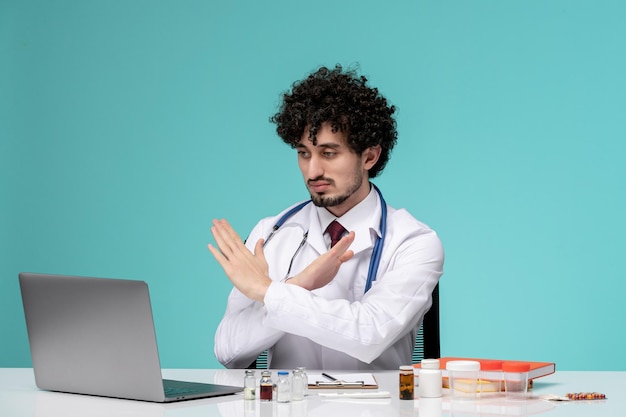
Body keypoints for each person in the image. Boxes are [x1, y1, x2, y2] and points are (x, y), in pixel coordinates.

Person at [208, 65, 444, 370]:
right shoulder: (271, 233)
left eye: (328, 153)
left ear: (369, 156)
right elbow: (229, 351)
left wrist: (271, 292)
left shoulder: (414, 242)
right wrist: (299, 284)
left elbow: (369, 335)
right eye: (304, 153)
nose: (313, 171)